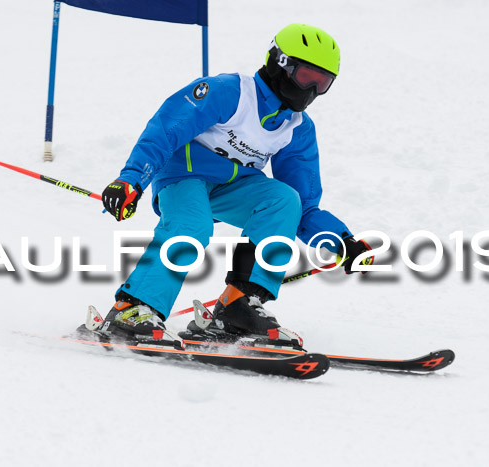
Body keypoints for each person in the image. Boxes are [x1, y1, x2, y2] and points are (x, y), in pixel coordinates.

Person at [90, 23, 372, 349]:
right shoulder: (230, 92)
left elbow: (305, 207)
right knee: (191, 227)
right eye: (306, 77)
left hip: (235, 186)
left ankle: (238, 306)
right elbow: (166, 129)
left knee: (284, 199)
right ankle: (133, 309)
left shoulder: (297, 128)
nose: (311, 91)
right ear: (280, 64)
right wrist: (131, 180)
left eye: (322, 84)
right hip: (185, 175)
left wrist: (340, 241)